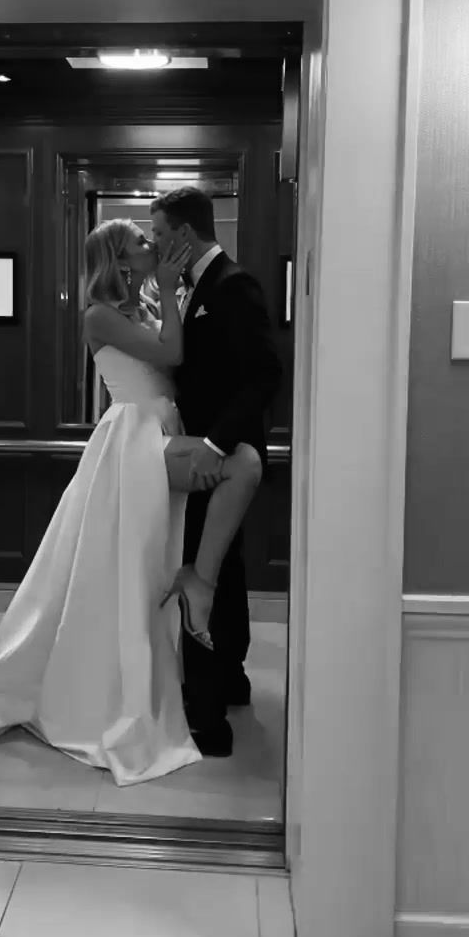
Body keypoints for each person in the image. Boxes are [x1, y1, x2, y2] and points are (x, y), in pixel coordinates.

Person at [0, 217, 262, 785]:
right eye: (141, 244)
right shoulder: (99, 314)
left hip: (158, 429)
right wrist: (174, 293)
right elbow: (172, 356)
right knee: (238, 468)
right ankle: (194, 585)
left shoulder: (142, 305)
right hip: (132, 440)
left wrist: (170, 293)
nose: (153, 247)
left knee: (146, 554)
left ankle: (195, 583)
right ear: (118, 259)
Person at [151, 188, 282, 758]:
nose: (156, 244)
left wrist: (213, 443)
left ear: (182, 234)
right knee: (223, 565)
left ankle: (207, 718)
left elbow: (262, 376)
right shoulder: (189, 289)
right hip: (202, 453)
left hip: (220, 458)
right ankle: (229, 682)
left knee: (206, 572)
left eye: (159, 234)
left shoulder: (233, 284)